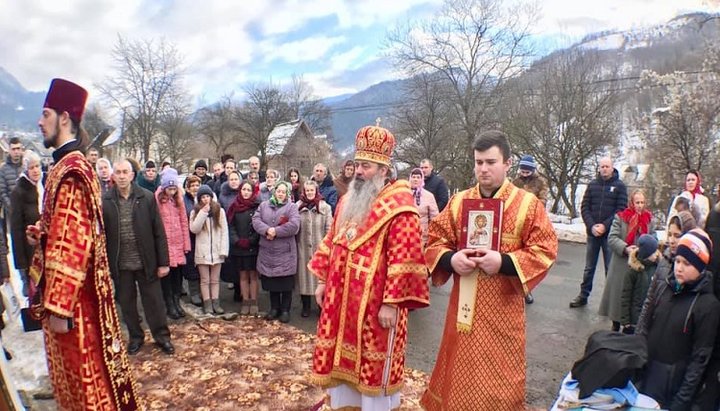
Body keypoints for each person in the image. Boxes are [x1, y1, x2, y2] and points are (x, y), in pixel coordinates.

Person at [421, 130, 558, 410]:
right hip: (463, 315)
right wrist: (451, 259)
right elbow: (434, 241)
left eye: (491, 162)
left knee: (499, 386)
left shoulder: (527, 206)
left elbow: (545, 250)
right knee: (459, 380)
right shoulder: (459, 203)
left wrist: (504, 263)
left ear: (507, 163)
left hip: (503, 316)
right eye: (478, 162)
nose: (483, 169)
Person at [29, 78, 141, 408]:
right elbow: (64, 228)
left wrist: (60, 306)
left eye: (45, 114)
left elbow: (72, 241)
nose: (40, 121)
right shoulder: (69, 165)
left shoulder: (71, 170)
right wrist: (43, 232)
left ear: (64, 118)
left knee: (86, 383)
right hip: (77, 297)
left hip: (74, 304)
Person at [309, 125, 430, 410]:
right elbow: (332, 240)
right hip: (341, 304)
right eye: (357, 164)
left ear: (383, 169)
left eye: (366, 166)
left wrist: (392, 303)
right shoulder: (348, 200)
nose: (358, 171)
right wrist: (323, 280)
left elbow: (406, 259)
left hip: (376, 308)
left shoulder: (400, 207)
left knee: (372, 375)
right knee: (343, 373)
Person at [638, 229, 719, 410]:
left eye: (687, 263)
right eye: (677, 261)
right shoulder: (665, 288)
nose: (679, 268)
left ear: (700, 266)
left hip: (672, 390)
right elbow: (646, 326)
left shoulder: (707, 305)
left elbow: (699, 361)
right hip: (647, 379)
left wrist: (680, 403)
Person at [103, 159, 175, 356]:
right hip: (121, 263)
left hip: (147, 261)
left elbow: (158, 231)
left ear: (133, 175)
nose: (122, 175)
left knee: (154, 302)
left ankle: (162, 337)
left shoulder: (147, 197)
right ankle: (136, 337)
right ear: (113, 175)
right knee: (127, 304)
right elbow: (102, 235)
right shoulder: (106, 201)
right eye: (118, 172)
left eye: (125, 172)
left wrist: (163, 262)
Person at [569, 157, 628, 308]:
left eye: (607, 166)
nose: (604, 169)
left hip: (610, 235)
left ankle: (610, 301)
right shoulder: (592, 185)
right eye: (602, 166)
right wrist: (592, 226)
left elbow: (621, 210)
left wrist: (604, 226)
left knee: (610, 268)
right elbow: (584, 207)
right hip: (593, 234)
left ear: (612, 167)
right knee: (589, 268)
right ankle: (583, 295)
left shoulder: (620, 186)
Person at [598, 189, 655, 332]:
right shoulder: (621, 217)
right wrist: (626, 248)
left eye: (642, 202)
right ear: (631, 202)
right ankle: (615, 324)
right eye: (637, 202)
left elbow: (653, 238)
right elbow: (612, 238)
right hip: (622, 263)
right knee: (619, 296)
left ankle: (630, 326)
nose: (640, 206)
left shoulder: (649, 219)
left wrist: (646, 249)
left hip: (640, 265)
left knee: (634, 298)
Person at [252, 181, 300, 323]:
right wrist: (267, 230)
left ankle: (285, 310)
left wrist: (275, 231)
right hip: (268, 251)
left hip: (285, 252)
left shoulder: (292, 207)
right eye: (278, 191)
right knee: (272, 282)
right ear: (275, 192)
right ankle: (274, 308)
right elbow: (256, 220)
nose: (280, 193)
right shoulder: (264, 205)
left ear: (287, 194)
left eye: (283, 192)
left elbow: (294, 225)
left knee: (285, 283)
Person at [155, 168, 191, 320]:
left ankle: (176, 302)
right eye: (169, 188)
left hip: (178, 243)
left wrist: (186, 243)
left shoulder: (178, 200)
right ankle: (169, 304)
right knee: (167, 276)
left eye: (174, 188)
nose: (172, 191)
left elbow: (183, 221)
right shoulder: (157, 200)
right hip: (165, 244)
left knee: (178, 277)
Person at [190, 184, 229, 315]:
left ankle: (216, 302)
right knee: (205, 280)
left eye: (208, 196)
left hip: (217, 251)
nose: (206, 199)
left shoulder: (220, 211)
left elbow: (224, 232)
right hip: (202, 252)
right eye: (203, 197)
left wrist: (223, 250)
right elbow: (194, 229)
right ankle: (207, 303)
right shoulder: (195, 211)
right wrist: (202, 213)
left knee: (215, 279)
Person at [296, 180, 332, 317]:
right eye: (307, 191)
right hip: (303, 247)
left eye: (312, 190)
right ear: (304, 192)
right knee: (304, 277)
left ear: (316, 191)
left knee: (320, 278)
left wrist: (326, 246)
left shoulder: (325, 207)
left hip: (320, 247)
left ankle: (321, 306)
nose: (310, 193)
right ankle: (305, 306)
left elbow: (330, 228)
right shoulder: (297, 207)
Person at [9, 150, 43, 297]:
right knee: (33, 295)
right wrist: (21, 264)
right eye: (32, 167)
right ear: (26, 170)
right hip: (29, 252)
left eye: (38, 166)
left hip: (45, 250)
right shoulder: (19, 191)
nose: (36, 170)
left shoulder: (44, 186)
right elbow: (16, 229)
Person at [227, 181, 260, 316]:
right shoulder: (234, 206)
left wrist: (251, 240)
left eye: (248, 190)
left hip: (252, 247)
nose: (246, 192)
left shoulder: (257, 207)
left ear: (253, 192)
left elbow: (259, 226)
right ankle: (245, 301)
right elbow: (231, 225)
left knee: (253, 275)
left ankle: (254, 301)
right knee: (243, 275)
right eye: (244, 189)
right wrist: (237, 240)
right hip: (239, 247)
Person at [620, 234, 659, 335]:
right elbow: (626, 296)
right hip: (635, 318)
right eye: (653, 252)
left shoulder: (656, 267)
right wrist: (625, 320)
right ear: (646, 254)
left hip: (650, 317)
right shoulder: (633, 272)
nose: (656, 254)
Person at [182, 176, 203, 306]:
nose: (195, 188)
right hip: (190, 238)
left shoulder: (204, 199)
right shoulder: (184, 201)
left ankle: (203, 292)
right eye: (192, 185)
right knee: (191, 266)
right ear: (187, 188)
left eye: (197, 185)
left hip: (203, 238)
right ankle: (194, 293)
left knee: (203, 265)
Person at [409, 167, 439, 247]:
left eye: (418, 177)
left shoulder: (428, 196)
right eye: (413, 177)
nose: (415, 179)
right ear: (410, 178)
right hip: (406, 235)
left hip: (422, 237)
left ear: (422, 179)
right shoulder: (404, 193)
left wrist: (430, 236)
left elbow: (435, 218)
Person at [0, 137, 24, 223]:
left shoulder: (26, 168)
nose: (16, 151)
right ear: (9, 151)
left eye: (18, 148)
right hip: (10, 213)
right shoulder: (3, 170)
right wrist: (11, 207)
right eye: (13, 149)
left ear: (21, 150)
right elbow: (3, 192)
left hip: (26, 211)